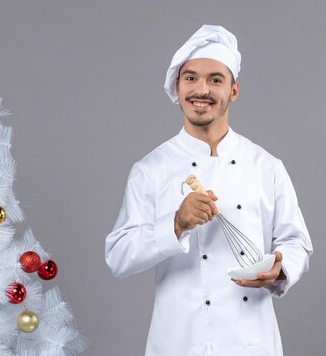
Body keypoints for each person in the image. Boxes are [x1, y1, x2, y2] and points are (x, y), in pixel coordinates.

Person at [105, 25, 313, 356]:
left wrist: (280, 268)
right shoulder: (150, 170)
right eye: (191, 78)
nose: (201, 89)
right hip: (178, 341)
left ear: (234, 91)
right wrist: (176, 223)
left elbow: (296, 241)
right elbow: (118, 256)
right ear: (178, 86)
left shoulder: (266, 166)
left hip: (251, 343)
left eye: (215, 79)